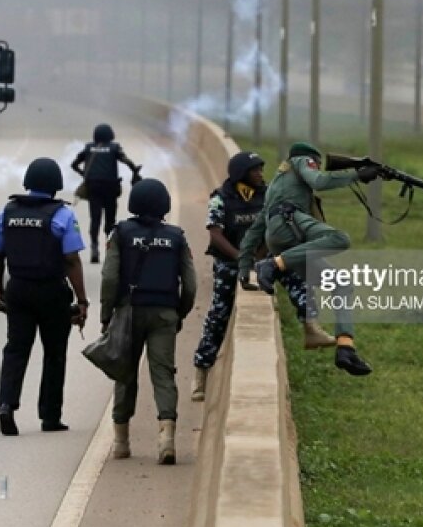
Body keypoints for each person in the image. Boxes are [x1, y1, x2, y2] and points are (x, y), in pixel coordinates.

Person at [191, 151, 335, 402]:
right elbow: (215, 234)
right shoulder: (221, 199)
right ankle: (201, 370)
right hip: (230, 261)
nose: (260, 174)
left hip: (262, 255)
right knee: (218, 315)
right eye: (255, 170)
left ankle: (311, 326)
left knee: (295, 274)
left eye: (261, 169)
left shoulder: (268, 194)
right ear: (240, 174)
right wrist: (241, 258)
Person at [237, 142, 383, 377]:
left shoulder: (277, 183)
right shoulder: (301, 160)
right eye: (315, 163)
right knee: (340, 238)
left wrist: (244, 269)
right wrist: (356, 175)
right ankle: (273, 264)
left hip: (282, 239)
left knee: (341, 284)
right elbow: (319, 182)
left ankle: (345, 348)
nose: (315, 167)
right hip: (290, 225)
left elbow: (254, 232)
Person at [0, 157, 89, 436]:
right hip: (51, 292)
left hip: (18, 289)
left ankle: (6, 405)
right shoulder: (63, 215)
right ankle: (50, 416)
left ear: (28, 183)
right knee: (54, 353)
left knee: (16, 349)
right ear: (56, 186)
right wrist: (81, 300)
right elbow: (71, 260)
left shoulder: (7, 212)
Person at [99, 178, 196, 464]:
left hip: (128, 312)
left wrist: (107, 314)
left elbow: (109, 277)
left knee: (124, 373)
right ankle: (166, 438)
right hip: (164, 312)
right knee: (163, 375)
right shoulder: (177, 237)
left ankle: (121, 442)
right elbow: (189, 284)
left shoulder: (121, 234)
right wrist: (180, 313)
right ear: (165, 205)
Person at [71, 123, 142, 264]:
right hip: (110, 188)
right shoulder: (114, 147)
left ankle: (94, 249)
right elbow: (125, 160)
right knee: (110, 221)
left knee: (95, 219)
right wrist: (135, 170)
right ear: (110, 135)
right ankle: (110, 250)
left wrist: (84, 174)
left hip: (93, 187)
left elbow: (74, 164)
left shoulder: (89, 147)